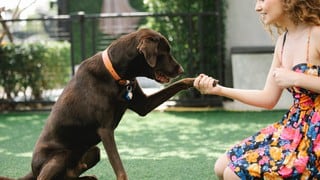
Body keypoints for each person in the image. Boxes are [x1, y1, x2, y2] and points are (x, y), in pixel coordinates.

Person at [193, 0, 320, 179]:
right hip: (296, 126)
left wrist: (298, 78)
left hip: (316, 133)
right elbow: (267, 98)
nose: (257, 7)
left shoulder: (316, 33)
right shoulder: (282, 42)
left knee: (233, 174)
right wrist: (219, 90)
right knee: (222, 166)